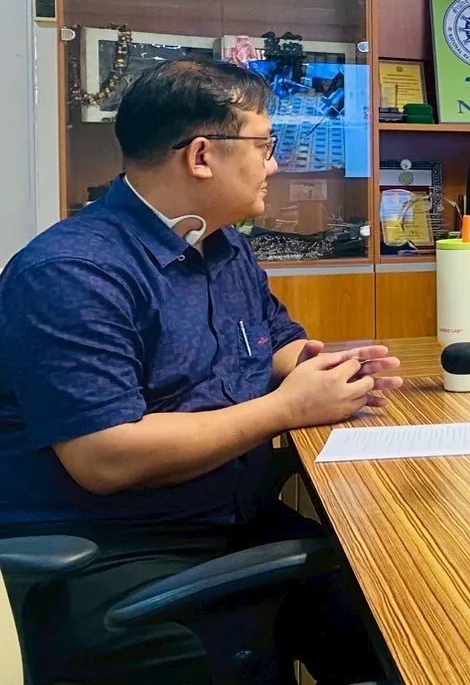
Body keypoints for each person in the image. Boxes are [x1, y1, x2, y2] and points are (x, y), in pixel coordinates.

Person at [0, 59, 403, 683]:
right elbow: (105, 456)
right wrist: (288, 408)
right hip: (117, 549)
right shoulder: (74, 272)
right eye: (264, 146)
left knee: (402, 612)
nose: (274, 165)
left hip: (234, 520)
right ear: (201, 156)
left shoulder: (223, 243)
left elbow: (273, 341)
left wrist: (322, 368)